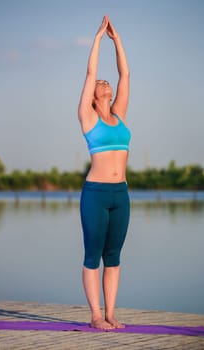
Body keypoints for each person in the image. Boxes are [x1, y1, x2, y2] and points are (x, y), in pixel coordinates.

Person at [78, 15, 131, 330]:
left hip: (120, 194)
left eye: (105, 82)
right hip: (95, 195)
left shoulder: (120, 115)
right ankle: (96, 315)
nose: (104, 82)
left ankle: (110, 313)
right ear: (95, 97)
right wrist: (98, 37)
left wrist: (117, 39)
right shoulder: (87, 117)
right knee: (92, 254)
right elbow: (90, 72)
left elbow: (125, 72)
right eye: (101, 84)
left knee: (114, 255)